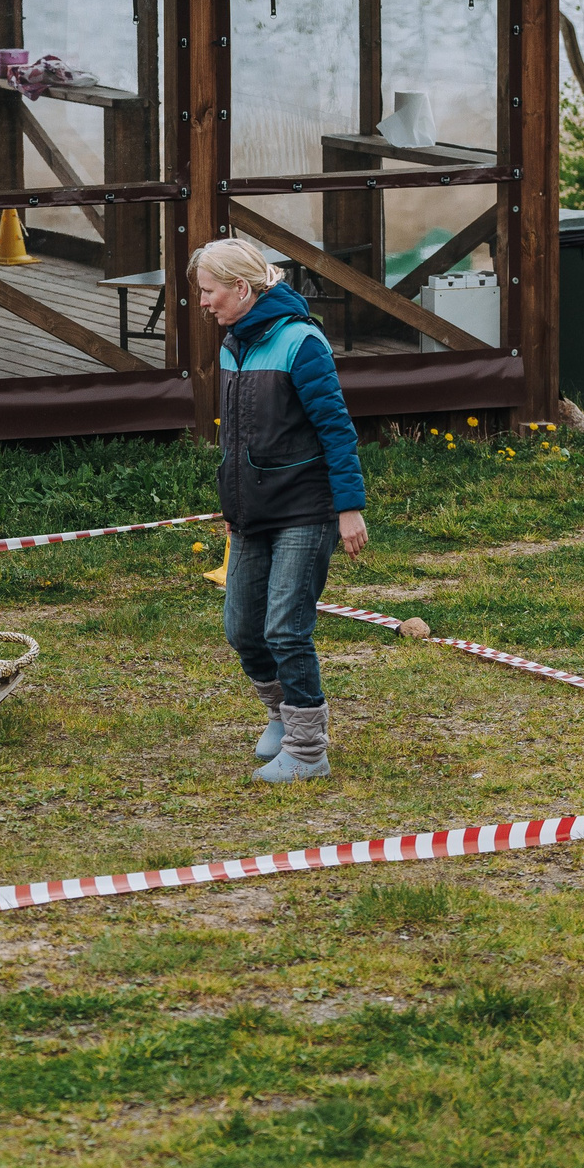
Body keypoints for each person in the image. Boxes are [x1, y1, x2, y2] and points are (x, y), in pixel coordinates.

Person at [191, 237, 368, 781]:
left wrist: (349, 508)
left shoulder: (301, 343)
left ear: (241, 289)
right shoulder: (230, 345)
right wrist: (231, 500)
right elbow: (235, 437)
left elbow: (337, 429)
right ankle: (280, 718)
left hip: (305, 510)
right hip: (251, 513)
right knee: (243, 629)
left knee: (286, 630)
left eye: (209, 291)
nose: (203, 302)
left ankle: (309, 752)